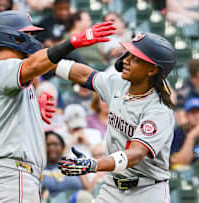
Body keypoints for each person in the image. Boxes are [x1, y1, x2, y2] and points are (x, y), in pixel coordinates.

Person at [0, 10, 115, 202]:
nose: (32, 38)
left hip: (10, 176)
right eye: (28, 33)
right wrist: (72, 43)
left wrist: (32, 109)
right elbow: (32, 66)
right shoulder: (2, 67)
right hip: (11, 176)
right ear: (12, 37)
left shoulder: (6, 74)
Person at [54, 32, 176, 202]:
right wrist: (46, 60)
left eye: (135, 59)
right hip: (112, 187)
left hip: (147, 191)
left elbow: (136, 154)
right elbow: (84, 75)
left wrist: (94, 165)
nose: (125, 60)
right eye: (129, 54)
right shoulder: (119, 83)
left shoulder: (158, 110)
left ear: (153, 70)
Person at [42, 131, 83, 197]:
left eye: (55, 144)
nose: (51, 148)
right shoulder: (38, 169)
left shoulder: (74, 165)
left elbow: (88, 189)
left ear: (63, 147)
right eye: (47, 145)